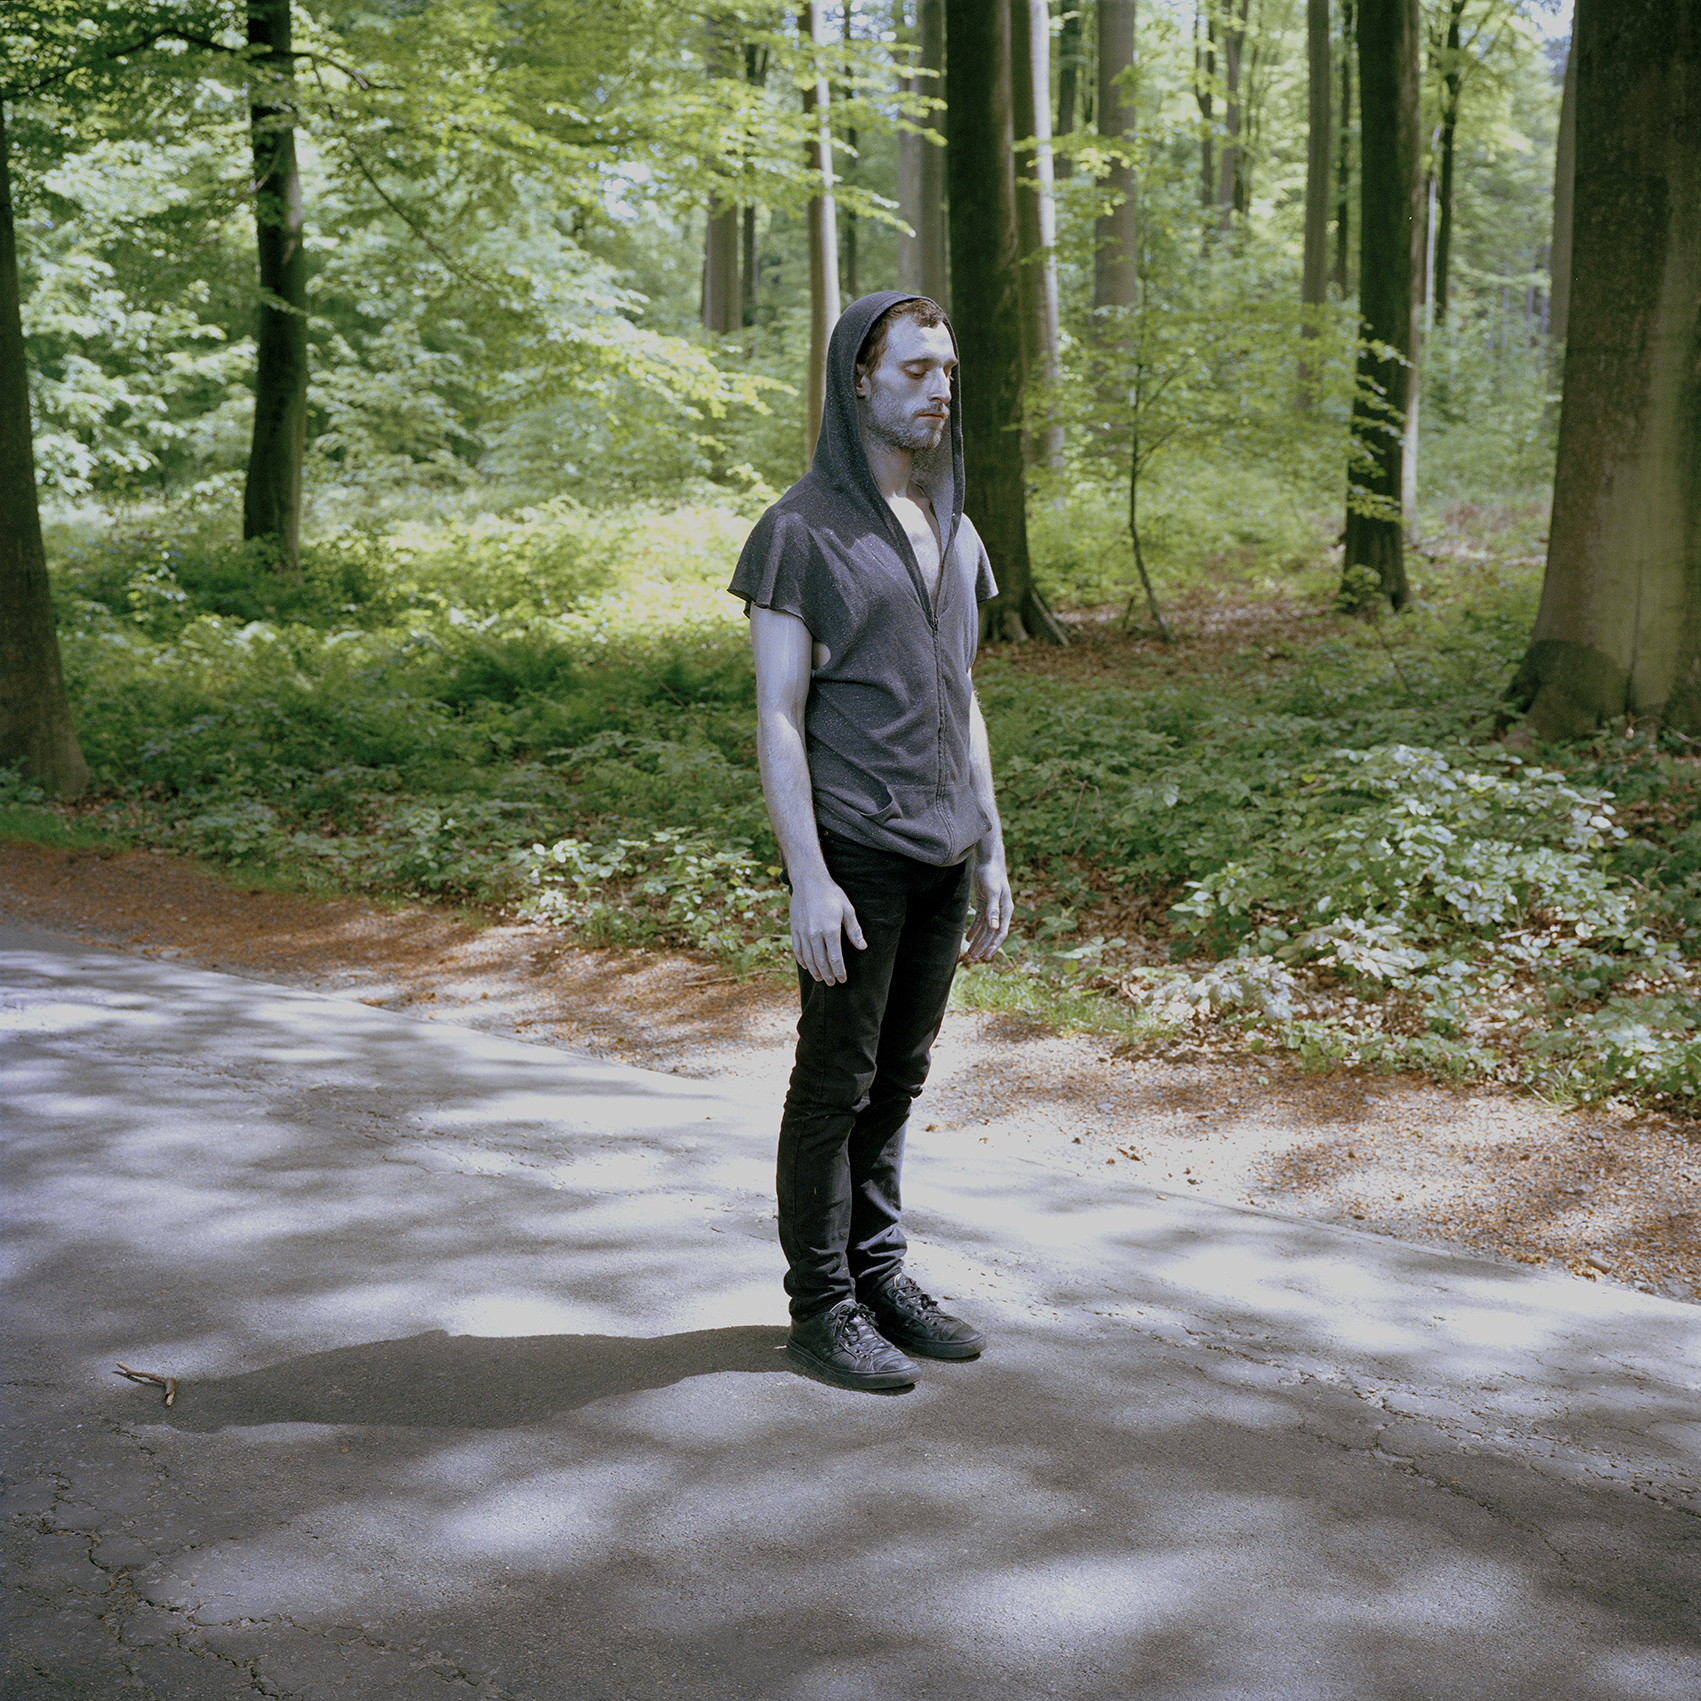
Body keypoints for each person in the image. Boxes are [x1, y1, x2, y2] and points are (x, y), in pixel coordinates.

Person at [727, 290, 1015, 1392]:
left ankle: (879, 1274)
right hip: (854, 849)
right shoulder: (799, 532)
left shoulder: (954, 527)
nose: (938, 389)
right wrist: (807, 878)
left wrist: (990, 843)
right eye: (913, 370)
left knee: (899, 1077)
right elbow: (777, 715)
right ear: (860, 377)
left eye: (947, 370)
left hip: (945, 850)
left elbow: (963, 696)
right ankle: (822, 1309)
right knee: (835, 1081)